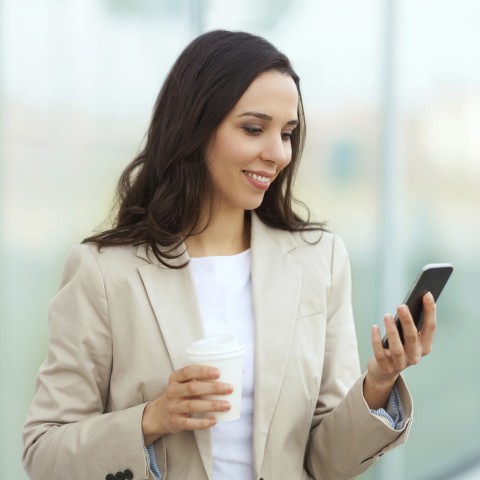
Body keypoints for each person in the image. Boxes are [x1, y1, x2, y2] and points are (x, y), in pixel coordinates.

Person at [22, 30, 436, 480]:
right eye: (254, 129)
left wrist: (378, 383)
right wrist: (153, 418)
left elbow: (326, 463)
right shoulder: (104, 272)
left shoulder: (319, 260)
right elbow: (44, 453)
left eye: (288, 133)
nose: (277, 154)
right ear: (196, 127)